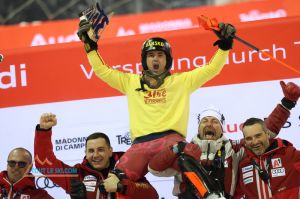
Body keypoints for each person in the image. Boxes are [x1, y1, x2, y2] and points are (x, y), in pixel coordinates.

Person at [77, 5, 237, 189]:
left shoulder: (182, 81)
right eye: (151, 55)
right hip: (140, 147)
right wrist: (89, 47)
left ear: (167, 59)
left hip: (171, 143)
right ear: (144, 59)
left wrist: (225, 47)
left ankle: (211, 194)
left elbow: (212, 69)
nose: (155, 59)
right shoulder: (130, 81)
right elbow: (101, 70)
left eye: (160, 55)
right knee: (113, 183)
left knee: (191, 155)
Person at [148, 80, 300, 198]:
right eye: (205, 121)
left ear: (222, 127)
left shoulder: (233, 149)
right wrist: (176, 149)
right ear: (198, 126)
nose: (209, 124)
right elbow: (154, 169)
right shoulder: (184, 150)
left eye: (215, 121)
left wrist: (286, 103)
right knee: (185, 161)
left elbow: (266, 132)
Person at [34, 113, 159, 199]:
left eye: (101, 150)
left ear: (110, 151)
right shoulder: (76, 174)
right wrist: (44, 131)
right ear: (86, 153)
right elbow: (44, 164)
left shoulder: (127, 168)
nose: (96, 155)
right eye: (91, 151)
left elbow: (152, 195)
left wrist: (122, 186)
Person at [239, 117, 300, 198]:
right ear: (245, 141)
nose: (254, 142)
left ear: (267, 134)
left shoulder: (289, 155)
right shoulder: (243, 165)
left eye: (258, 136)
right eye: (249, 138)